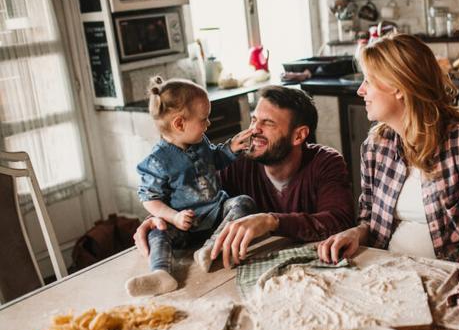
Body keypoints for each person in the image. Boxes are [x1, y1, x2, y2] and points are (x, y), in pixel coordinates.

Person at [317, 34, 459, 302]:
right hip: (384, 279)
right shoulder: (376, 146)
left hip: (448, 285)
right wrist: (355, 233)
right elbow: (371, 221)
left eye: (368, 80)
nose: (360, 90)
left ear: (398, 87)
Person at [134, 85, 355, 269]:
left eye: (267, 123)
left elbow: (340, 221)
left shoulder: (326, 162)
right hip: (249, 270)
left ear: (299, 135)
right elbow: (200, 200)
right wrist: (163, 218)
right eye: (253, 120)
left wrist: (271, 221)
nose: (254, 130)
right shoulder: (238, 162)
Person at [126, 76, 255, 297]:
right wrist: (174, 217)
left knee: (244, 202)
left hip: (216, 216)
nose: (208, 124)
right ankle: (161, 274)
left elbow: (216, 159)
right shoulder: (158, 161)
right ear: (179, 123)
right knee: (157, 231)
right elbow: (150, 199)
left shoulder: (200, 141)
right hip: (184, 225)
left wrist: (231, 148)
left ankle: (210, 248)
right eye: (203, 119)